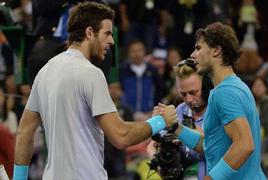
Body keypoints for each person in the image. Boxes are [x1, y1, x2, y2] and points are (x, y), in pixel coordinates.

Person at [13, 2, 177, 180]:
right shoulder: (91, 73)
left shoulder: (45, 72)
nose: (112, 41)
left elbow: (24, 132)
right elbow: (121, 136)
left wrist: (19, 179)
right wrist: (161, 121)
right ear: (89, 33)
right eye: (107, 33)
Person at [156, 22, 266, 179]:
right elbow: (210, 146)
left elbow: (244, 145)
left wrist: (210, 178)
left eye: (198, 48)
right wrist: (175, 128)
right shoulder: (236, 86)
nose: (193, 55)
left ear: (216, 50)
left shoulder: (224, 93)